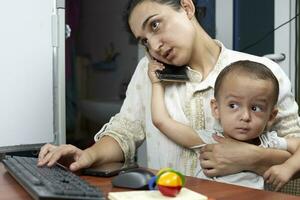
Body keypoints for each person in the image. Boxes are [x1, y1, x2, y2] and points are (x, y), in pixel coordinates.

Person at [38, 0, 300, 184]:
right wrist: (89, 154)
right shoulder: (150, 72)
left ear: (186, 7)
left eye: (155, 25)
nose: (154, 45)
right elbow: (125, 131)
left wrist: (252, 158)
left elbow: (295, 155)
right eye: (144, 41)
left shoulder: (264, 73)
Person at [148, 59, 300, 190]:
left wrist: (289, 167)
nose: (245, 117)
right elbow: (161, 121)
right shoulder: (211, 141)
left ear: (271, 116)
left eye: (256, 108)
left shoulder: (269, 142)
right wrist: (157, 84)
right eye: (233, 105)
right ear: (216, 109)